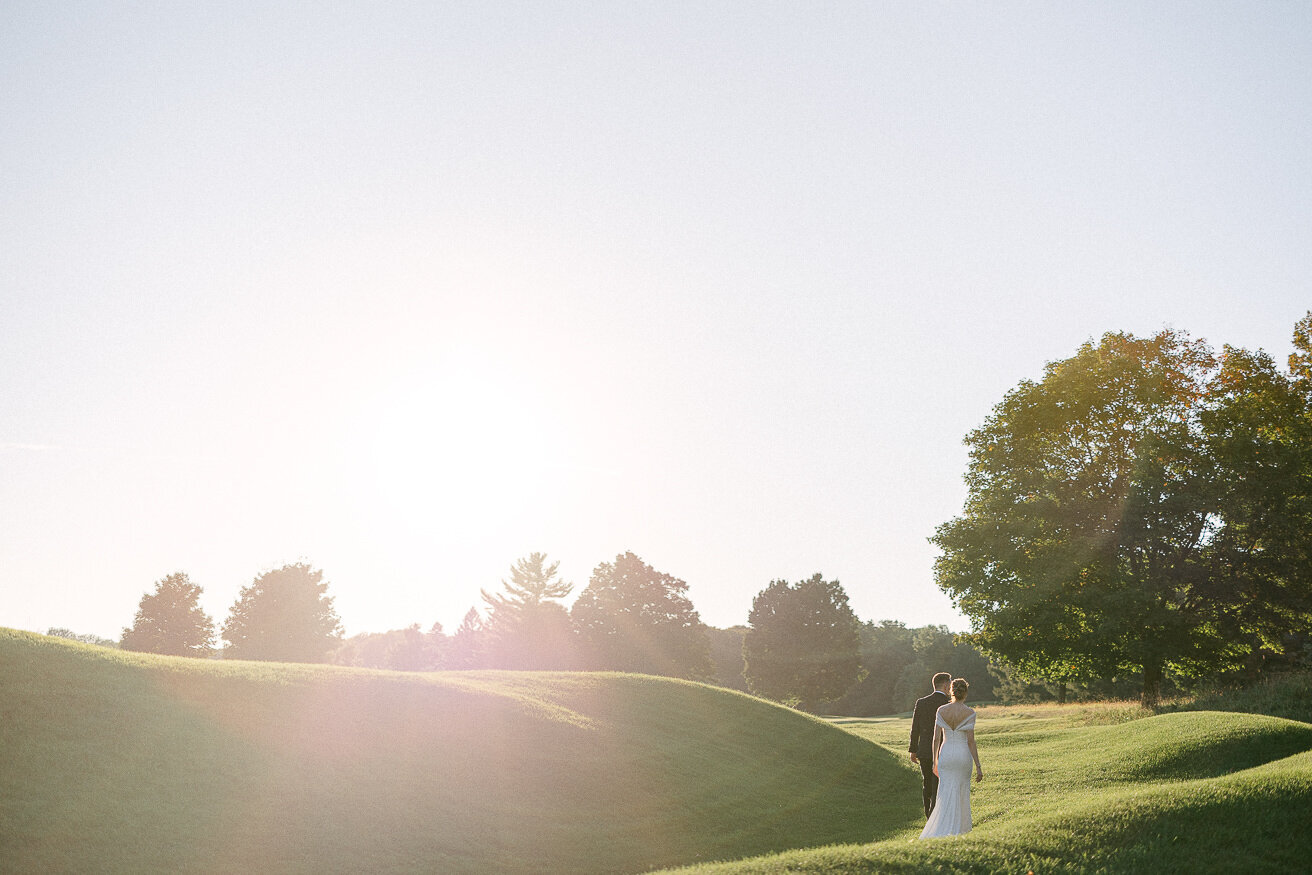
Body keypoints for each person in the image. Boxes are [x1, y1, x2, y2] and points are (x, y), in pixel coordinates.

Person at [919, 677, 984, 839]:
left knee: (945, 790)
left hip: (946, 754)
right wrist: (978, 766)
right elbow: (970, 741)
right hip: (962, 756)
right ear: (965, 693)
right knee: (961, 790)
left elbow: (936, 739)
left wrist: (935, 760)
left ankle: (942, 827)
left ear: (951, 691)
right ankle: (960, 829)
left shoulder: (941, 710)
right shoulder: (970, 713)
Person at [908, 672, 952, 817]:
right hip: (944, 750)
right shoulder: (948, 704)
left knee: (927, 783)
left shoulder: (921, 702)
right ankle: (940, 815)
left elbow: (915, 728)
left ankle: (929, 815)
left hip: (925, 750)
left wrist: (913, 750)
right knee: (942, 783)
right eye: (950, 685)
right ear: (946, 685)